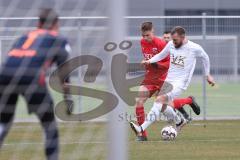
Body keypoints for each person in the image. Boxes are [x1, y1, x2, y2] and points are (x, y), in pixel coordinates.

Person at [0, 8, 71, 160]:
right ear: (56, 24)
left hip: (4, 75)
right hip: (31, 76)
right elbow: (64, 73)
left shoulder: (24, 36)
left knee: (4, 122)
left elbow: (11, 56)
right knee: (49, 126)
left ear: (38, 23)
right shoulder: (58, 39)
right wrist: (68, 99)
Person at [130, 26, 215, 137]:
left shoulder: (194, 48)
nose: (173, 42)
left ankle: (141, 128)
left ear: (183, 37)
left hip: (180, 83)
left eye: (175, 40)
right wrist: (149, 61)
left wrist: (207, 74)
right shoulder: (171, 44)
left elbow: (205, 57)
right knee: (163, 106)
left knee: (159, 100)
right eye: (172, 40)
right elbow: (161, 55)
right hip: (169, 80)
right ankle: (180, 121)